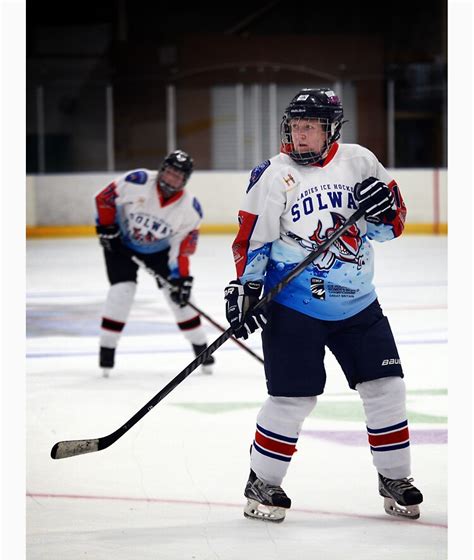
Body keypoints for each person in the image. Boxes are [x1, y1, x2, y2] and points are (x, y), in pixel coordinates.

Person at [224, 88, 423, 523]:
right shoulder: (273, 175)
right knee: (292, 398)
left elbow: (390, 228)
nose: (299, 137)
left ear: (331, 129)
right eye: (295, 127)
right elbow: (253, 238)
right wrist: (246, 289)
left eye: (309, 127)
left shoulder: (361, 161)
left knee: (386, 388)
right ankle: (263, 482)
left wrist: (385, 212)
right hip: (296, 307)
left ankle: (394, 478)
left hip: (358, 304)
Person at [94, 149, 215, 376]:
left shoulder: (190, 209)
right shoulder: (137, 181)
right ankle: (106, 352)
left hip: (160, 251)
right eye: (169, 172)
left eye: (177, 176)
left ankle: (202, 349)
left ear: (185, 180)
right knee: (122, 291)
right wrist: (107, 229)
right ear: (161, 170)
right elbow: (104, 198)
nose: (171, 179)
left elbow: (181, 251)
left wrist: (181, 279)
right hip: (120, 243)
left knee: (179, 298)